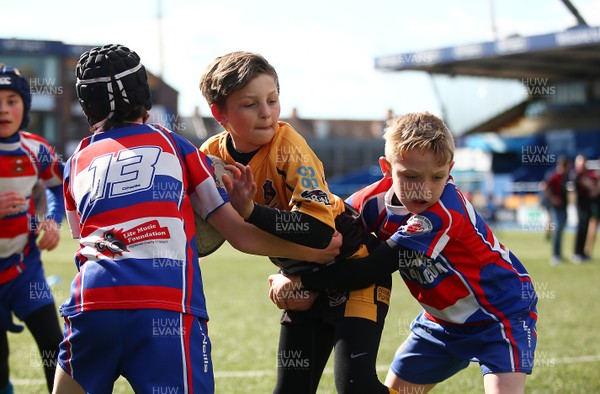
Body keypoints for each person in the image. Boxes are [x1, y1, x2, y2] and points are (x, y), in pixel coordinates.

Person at [52, 44, 340, 394]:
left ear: (86, 104)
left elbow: (85, 236)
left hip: (91, 303)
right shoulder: (177, 147)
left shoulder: (76, 161)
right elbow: (239, 235)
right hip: (166, 308)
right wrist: (313, 253)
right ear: (145, 94)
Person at [270, 112, 539, 394]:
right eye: (411, 176)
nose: (424, 190)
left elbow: (369, 270)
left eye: (437, 177)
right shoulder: (370, 201)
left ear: (451, 170)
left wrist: (303, 284)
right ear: (386, 168)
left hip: (501, 316)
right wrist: (286, 272)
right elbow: (331, 237)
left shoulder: (443, 212)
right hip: (440, 324)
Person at [199, 51, 395, 394]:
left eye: (273, 99)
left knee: (356, 387)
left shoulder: (289, 146)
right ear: (220, 113)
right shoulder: (211, 157)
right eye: (250, 104)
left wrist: (250, 212)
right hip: (302, 280)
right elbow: (221, 235)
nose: (266, 112)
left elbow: (320, 234)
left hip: (353, 267)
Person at [0, 64, 64, 393]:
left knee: (55, 345)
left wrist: (53, 219)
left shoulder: (36, 148)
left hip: (25, 268)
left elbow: (57, 187)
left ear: (24, 105)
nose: (3, 109)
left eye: (12, 100)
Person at [542, 156, 571, 265]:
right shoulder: (555, 176)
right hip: (556, 207)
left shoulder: (564, 176)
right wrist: (553, 199)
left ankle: (558, 254)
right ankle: (555, 255)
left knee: (560, 230)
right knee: (558, 229)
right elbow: (545, 186)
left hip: (563, 206)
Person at [572, 154, 596, 263]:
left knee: (585, 228)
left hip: (587, 205)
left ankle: (582, 253)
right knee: (581, 229)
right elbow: (590, 186)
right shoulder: (577, 176)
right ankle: (577, 253)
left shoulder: (587, 174)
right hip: (580, 205)